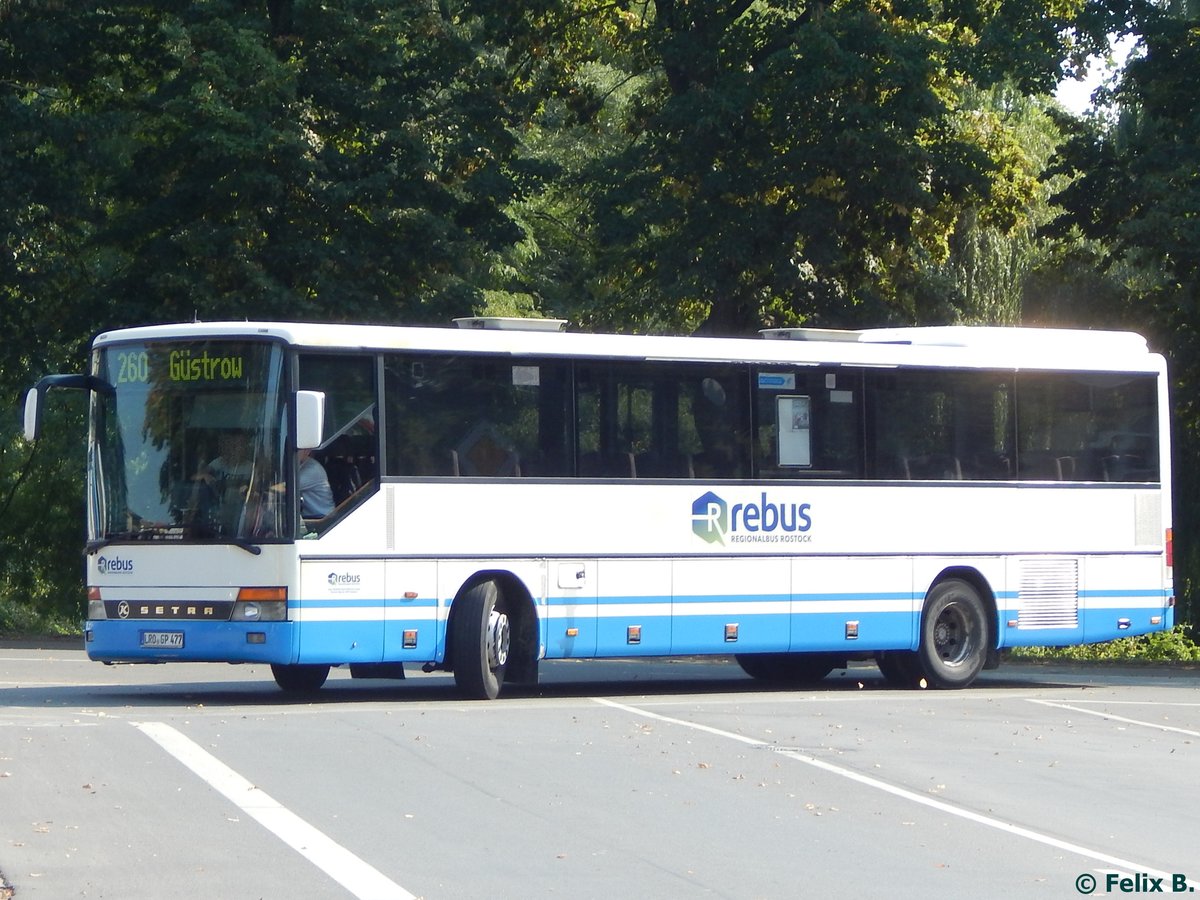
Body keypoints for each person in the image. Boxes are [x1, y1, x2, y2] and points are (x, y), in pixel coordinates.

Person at [298, 449, 334, 519]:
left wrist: (270, 488)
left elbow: (287, 487)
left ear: (307, 451)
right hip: (310, 516)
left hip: (322, 518)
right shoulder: (300, 465)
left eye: (298, 450)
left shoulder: (313, 469)